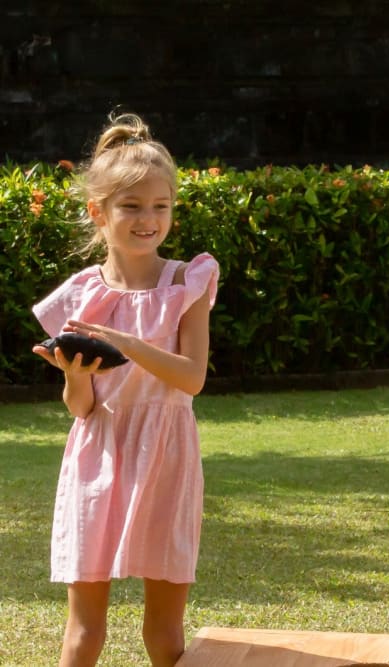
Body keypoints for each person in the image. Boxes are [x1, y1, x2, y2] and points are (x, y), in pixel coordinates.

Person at [32, 112, 219, 667]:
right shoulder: (80, 295)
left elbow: (192, 378)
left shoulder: (188, 281)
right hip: (98, 457)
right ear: (99, 212)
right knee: (84, 635)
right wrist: (75, 373)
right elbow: (82, 408)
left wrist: (122, 339)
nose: (148, 219)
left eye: (161, 206)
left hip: (168, 455)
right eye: (132, 206)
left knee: (164, 635)